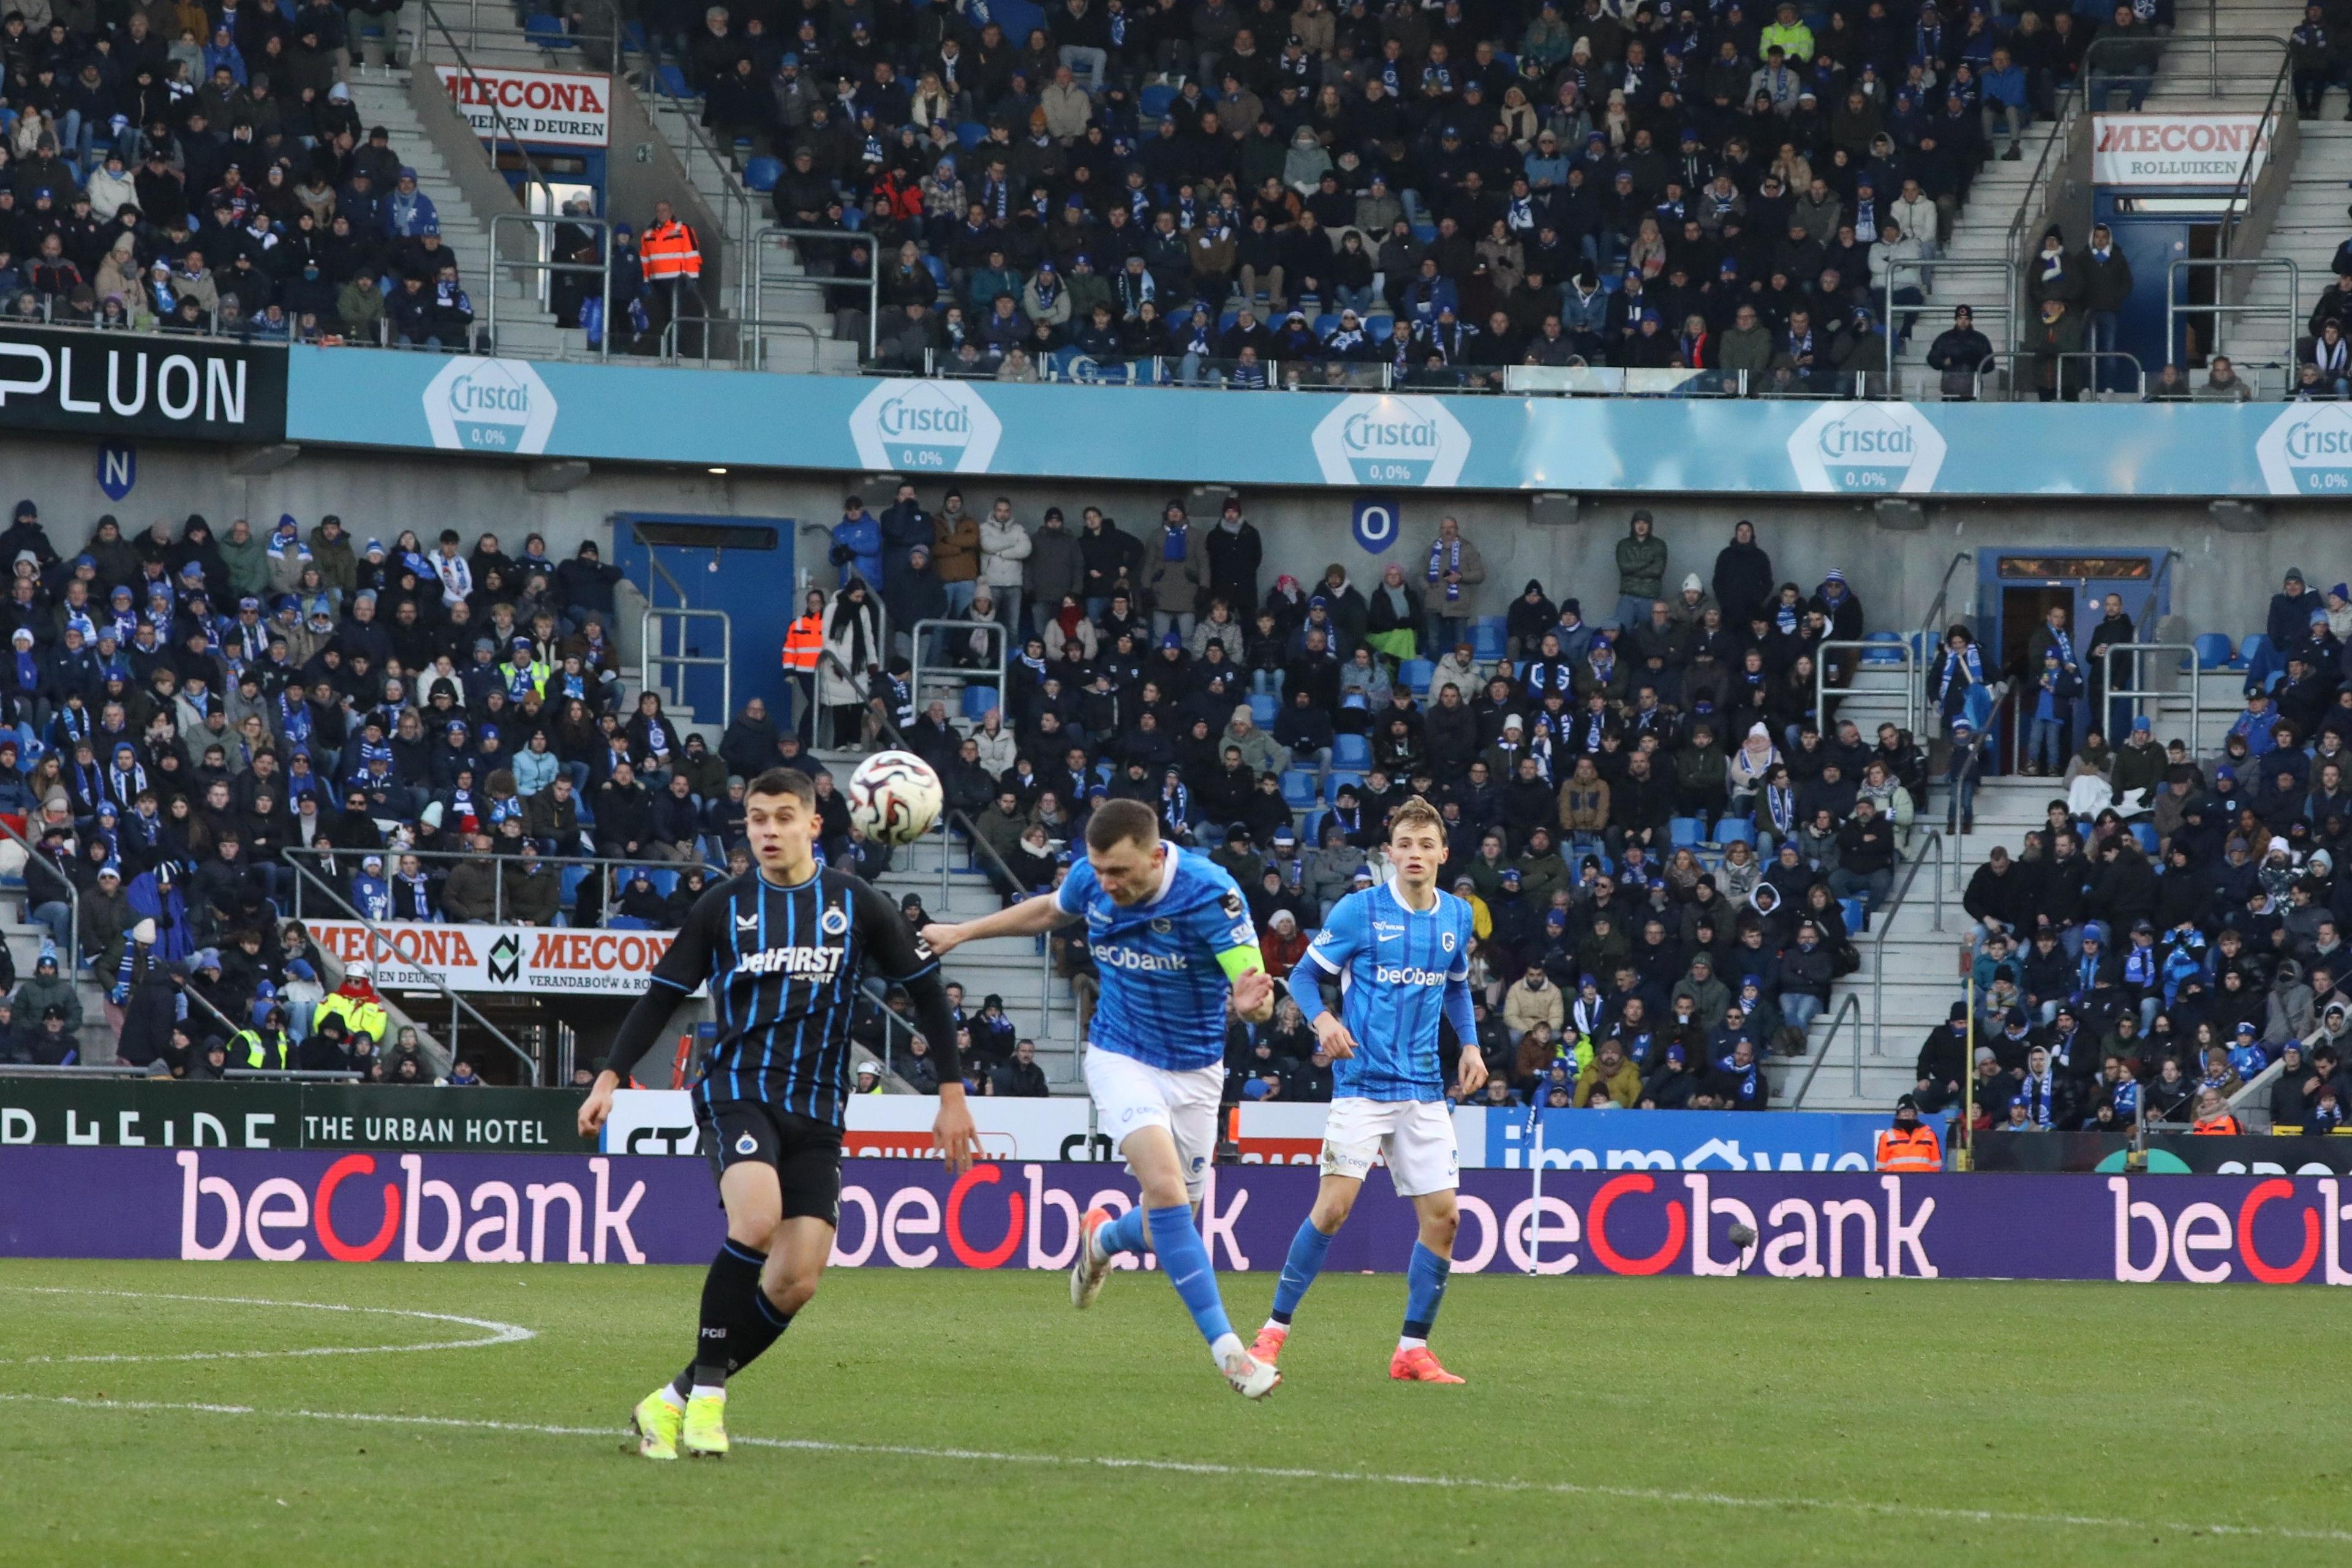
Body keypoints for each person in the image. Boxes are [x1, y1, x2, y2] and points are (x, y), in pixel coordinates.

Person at [576, 767, 977, 1461]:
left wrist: (951, 1094)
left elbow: (928, 992)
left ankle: (669, 1400)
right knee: (756, 1221)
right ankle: (709, 1399)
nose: (767, 830)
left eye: (783, 817)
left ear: (813, 825)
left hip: (817, 1110)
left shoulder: (857, 902)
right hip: (738, 1092)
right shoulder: (722, 906)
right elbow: (662, 995)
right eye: (757, 818)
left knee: (796, 1282)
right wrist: (609, 1077)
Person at [922, 797, 1281, 1399]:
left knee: (1170, 1225)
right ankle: (1230, 1354)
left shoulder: (1211, 894)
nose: (1106, 884)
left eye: (1119, 871)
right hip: (1121, 1054)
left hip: (1196, 1070)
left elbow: (1255, 991)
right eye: (1098, 870)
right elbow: (1049, 910)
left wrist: (1255, 1008)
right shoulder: (1094, 878)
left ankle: (1102, 1239)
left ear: (1156, 856)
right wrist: (962, 932)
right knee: (1165, 1190)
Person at [1253, 797, 1485, 1385]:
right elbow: (1305, 975)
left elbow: (1457, 986)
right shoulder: (1360, 911)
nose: (1415, 854)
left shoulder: (1457, 916)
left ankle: (1412, 1350)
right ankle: (1271, 1335)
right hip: (1362, 1084)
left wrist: (1471, 1046)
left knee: (1446, 1220)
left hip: (1424, 1089)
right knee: (1333, 1210)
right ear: (1390, 854)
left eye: (1426, 845)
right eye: (1405, 845)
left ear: (1443, 853)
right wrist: (1322, 1021)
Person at [1874, 1093, 1943, 1170]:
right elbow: (1881, 1167)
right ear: (1898, 1115)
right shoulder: (1887, 1137)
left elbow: (1936, 1165)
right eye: (1903, 1111)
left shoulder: (1930, 1135)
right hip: (1897, 1178)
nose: (1907, 1114)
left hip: (1922, 1178)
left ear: (1915, 1114)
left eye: (1910, 1111)